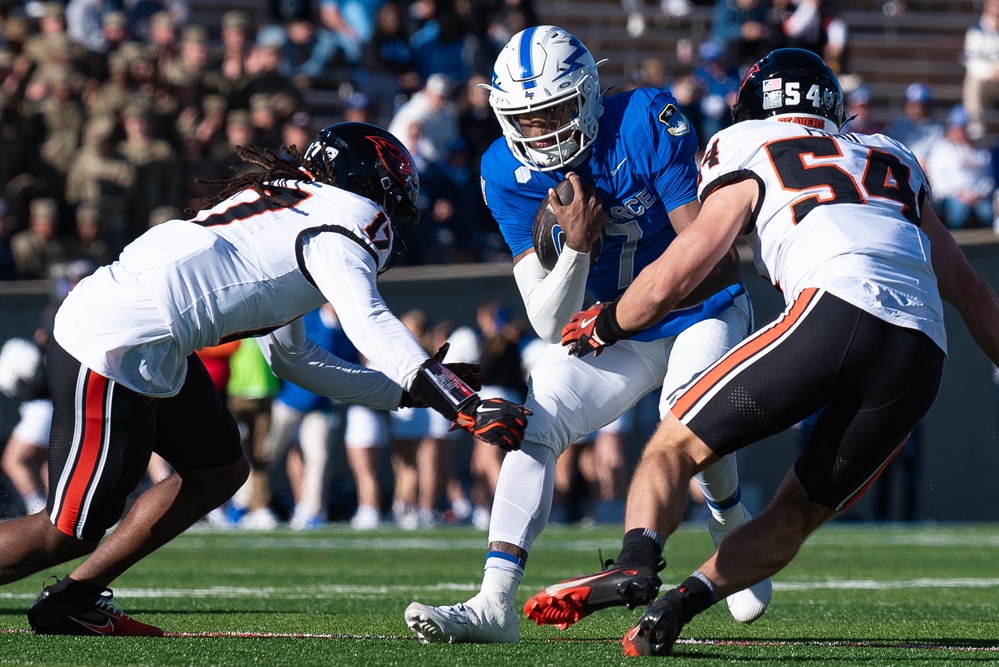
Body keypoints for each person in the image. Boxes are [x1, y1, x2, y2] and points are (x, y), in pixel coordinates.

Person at [544, 47, 999, 657]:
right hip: (921, 352)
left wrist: (610, 322)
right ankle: (677, 607)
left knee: (675, 443)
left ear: (754, 107)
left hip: (833, 310)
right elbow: (970, 292)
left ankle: (635, 561)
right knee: (797, 513)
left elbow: (684, 268)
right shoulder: (893, 155)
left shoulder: (745, 143)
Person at [0, 121, 530, 636]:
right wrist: (453, 397)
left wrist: (406, 391)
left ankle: (72, 599)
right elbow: (367, 319)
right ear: (370, 189)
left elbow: (294, 361)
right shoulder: (343, 223)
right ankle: (68, 592)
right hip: (118, 338)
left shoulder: (290, 214)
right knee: (68, 530)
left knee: (219, 469)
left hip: (152, 336)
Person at [405, 26, 770, 645]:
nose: (542, 131)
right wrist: (575, 246)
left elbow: (706, 254)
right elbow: (549, 322)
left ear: (589, 94)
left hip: (700, 308)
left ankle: (728, 515)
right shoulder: (503, 168)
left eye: (554, 110)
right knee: (535, 420)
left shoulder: (643, 118)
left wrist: (627, 310)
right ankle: (494, 601)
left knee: (684, 413)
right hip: (606, 328)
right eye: (526, 116)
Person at [922, 104, 995, 230]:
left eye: (962, 128)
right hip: (953, 195)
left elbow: (988, 178)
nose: (960, 132)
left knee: (987, 213)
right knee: (959, 213)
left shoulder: (979, 149)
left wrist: (978, 194)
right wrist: (960, 193)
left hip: (977, 196)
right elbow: (938, 180)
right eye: (957, 128)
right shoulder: (941, 148)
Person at [962, 0, 999, 140]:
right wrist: (993, 71)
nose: (997, 9)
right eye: (994, 4)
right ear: (986, 7)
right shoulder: (976, 31)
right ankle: (976, 127)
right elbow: (973, 63)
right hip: (988, 81)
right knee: (973, 81)